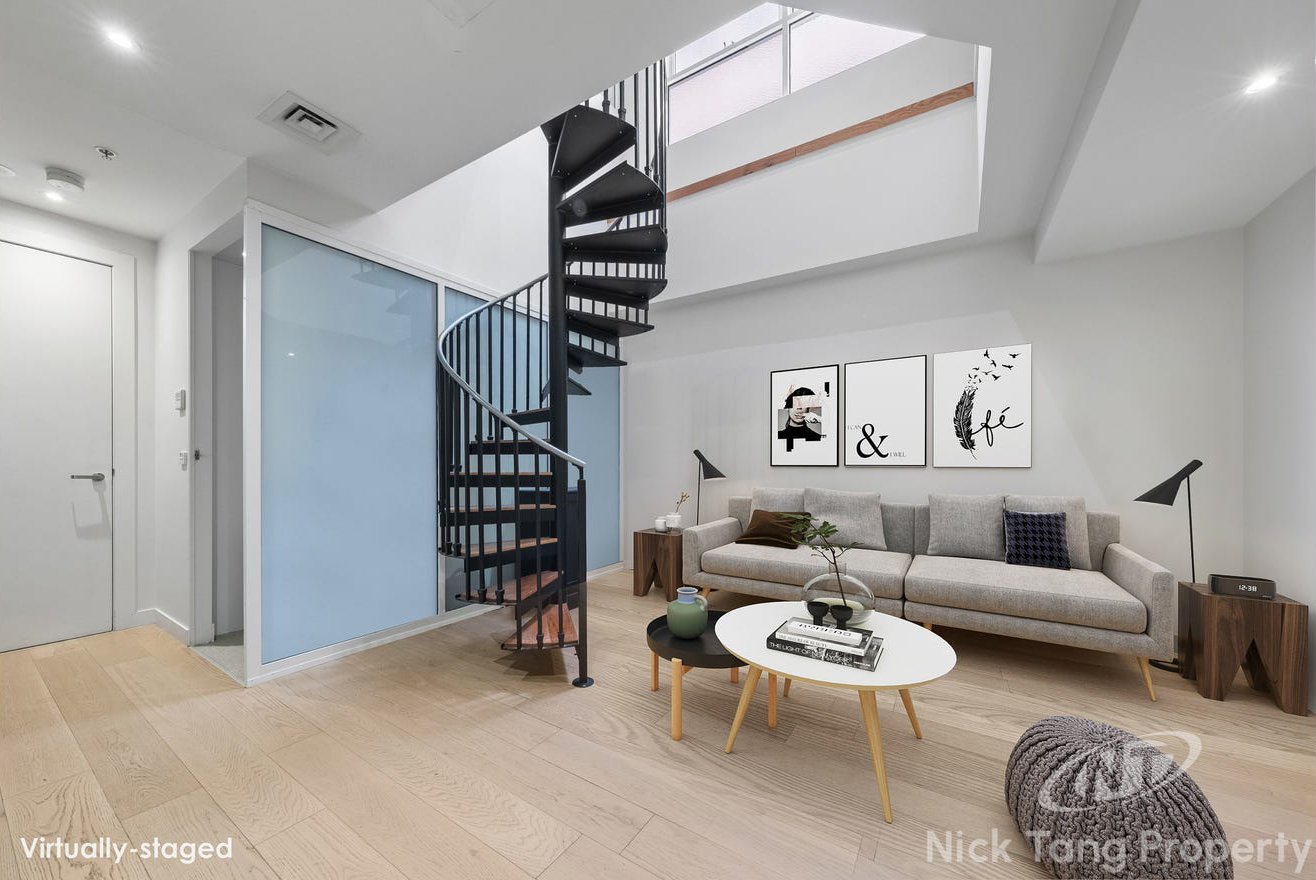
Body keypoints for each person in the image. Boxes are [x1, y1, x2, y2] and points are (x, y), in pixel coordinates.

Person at [777, 385, 824, 452]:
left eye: (804, 403)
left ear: (809, 408)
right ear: (787, 408)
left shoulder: (817, 437)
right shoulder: (776, 436)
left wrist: (820, 419)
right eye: (795, 403)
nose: (799, 408)